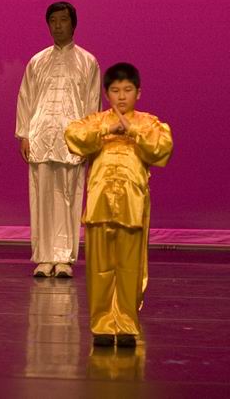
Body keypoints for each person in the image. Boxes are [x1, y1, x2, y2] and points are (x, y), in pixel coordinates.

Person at [65, 63, 172, 348]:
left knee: (129, 268)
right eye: (115, 90)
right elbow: (73, 137)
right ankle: (102, 324)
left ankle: (126, 324)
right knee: (99, 267)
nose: (122, 96)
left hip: (132, 205)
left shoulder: (148, 123)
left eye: (127, 90)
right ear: (106, 93)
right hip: (100, 204)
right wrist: (106, 129)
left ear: (138, 92)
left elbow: (163, 148)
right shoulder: (97, 121)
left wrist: (134, 131)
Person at [15, 2, 101, 278]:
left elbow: (92, 103)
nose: (58, 25)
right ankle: (43, 257)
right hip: (40, 136)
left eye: (63, 20)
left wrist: (88, 139)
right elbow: (25, 99)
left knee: (68, 197)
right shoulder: (37, 61)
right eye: (53, 21)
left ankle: (64, 258)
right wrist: (24, 134)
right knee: (41, 197)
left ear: (73, 24)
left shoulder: (87, 62)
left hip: (71, 140)